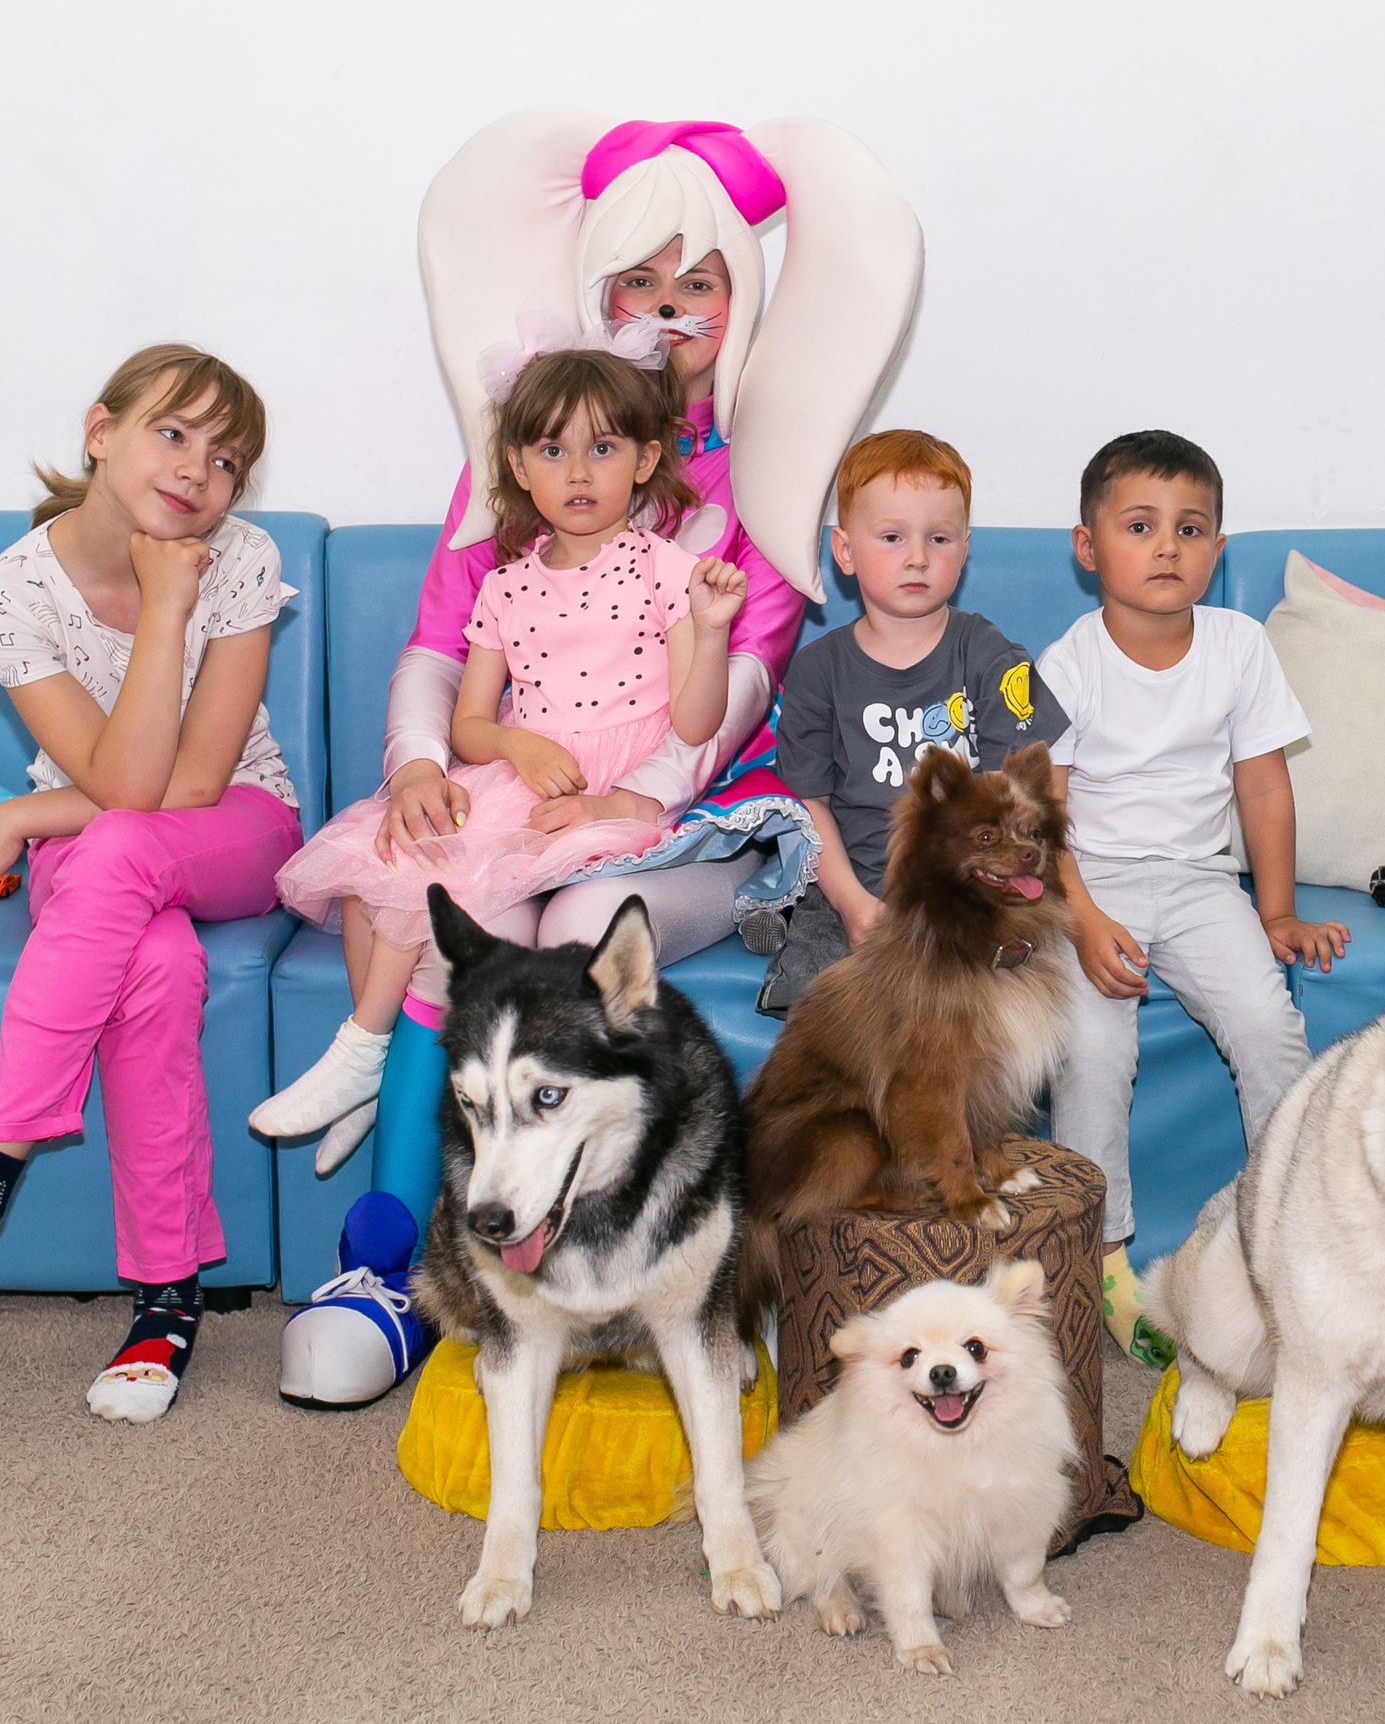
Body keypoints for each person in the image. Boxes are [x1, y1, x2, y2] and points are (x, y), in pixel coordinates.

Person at [270, 112, 922, 1409]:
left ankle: (606, 1253)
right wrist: (415, 763)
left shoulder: (764, 484)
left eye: (699, 287)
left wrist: (643, 798)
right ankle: (389, 1261)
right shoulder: (526, 470)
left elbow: (733, 693)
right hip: (527, 788)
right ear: (594, 294)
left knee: (576, 917)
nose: (669, 314)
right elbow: (443, 649)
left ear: (740, 308)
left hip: (692, 817)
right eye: (640, 284)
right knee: (445, 893)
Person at [0, 345, 300, 1425]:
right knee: (153, 965)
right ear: (102, 429)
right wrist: (154, 607)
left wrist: (19, 810)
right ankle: (167, 1298)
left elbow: (182, 784)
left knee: (116, 849)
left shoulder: (235, 559)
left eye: (227, 458)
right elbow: (125, 786)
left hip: (234, 823)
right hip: (107, 851)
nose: (198, 470)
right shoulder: (5, 594)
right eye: (173, 432)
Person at [260, 341, 744, 1135]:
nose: (578, 473)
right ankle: (368, 1071)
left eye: (603, 448)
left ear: (645, 458)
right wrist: (517, 748)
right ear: (519, 466)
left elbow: (694, 726)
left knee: (444, 891)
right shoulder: (505, 584)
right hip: (523, 777)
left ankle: (361, 1057)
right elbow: (470, 725)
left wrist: (714, 630)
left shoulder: (667, 571)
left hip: (610, 791)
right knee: (387, 862)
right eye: (553, 450)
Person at [1040, 431, 1350, 1366]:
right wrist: (1078, 917)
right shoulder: (1066, 663)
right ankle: (1100, 1254)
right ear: (1089, 546)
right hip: (1091, 886)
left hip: (1201, 883)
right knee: (1092, 1049)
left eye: (1191, 528)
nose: (1168, 546)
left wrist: (1278, 912)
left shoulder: (1238, 645)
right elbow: (1040, 814)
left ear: (1217, 550)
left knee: (1268, 1025)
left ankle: (1292, 1228)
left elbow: (1262, 788)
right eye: (1141, 526)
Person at [758, 429, 1068, 1013]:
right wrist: (853, 904)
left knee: (998, 1017)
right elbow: (807, 805)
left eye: (940, 538)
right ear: (845, 552)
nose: (918, 557)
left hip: (975, 886)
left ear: (966, 548)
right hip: (851, 885)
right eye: (893, 537)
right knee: (821, 1015)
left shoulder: (991, 655)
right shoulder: (817, 670)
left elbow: (1030, 794)